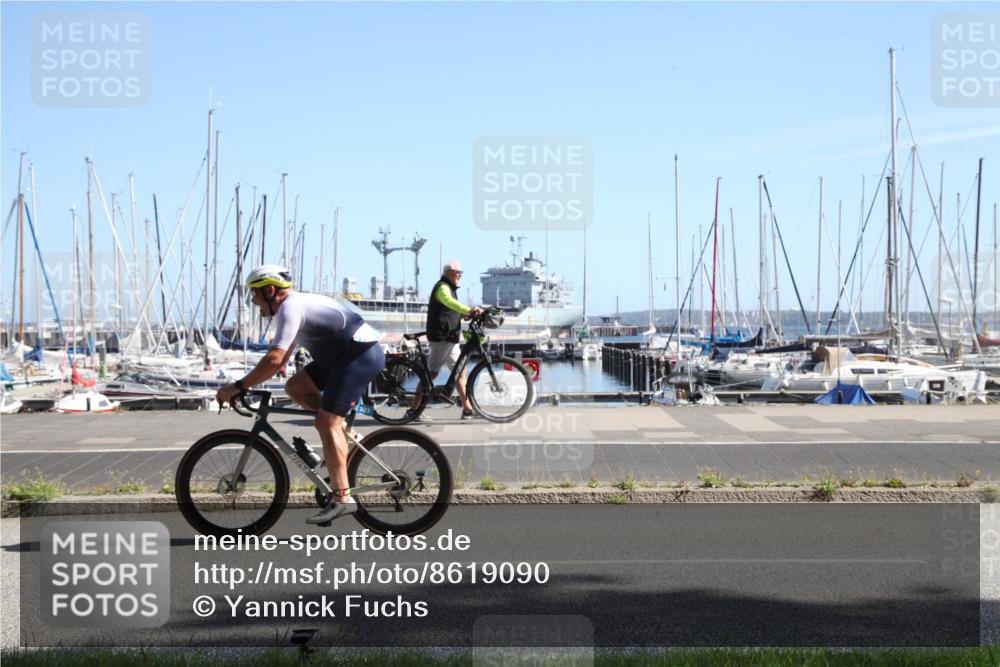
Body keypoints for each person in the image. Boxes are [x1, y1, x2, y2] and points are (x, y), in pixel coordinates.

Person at [215, 265, 385, 525]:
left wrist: (238, 387)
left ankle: (342, 499)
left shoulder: (290, 307)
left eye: (255, 294)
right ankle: (346, 438)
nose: (252, 300)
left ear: (271, 291)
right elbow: (279, 357)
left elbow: (274, 360)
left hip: (358, 357)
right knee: (296, 387)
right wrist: (251, 381)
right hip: (342, 357)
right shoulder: (295, 306)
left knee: (326, 422)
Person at [424, 260, 482, 419]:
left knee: (460, 371)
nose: (460, 276)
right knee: (432, 374)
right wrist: (469, 309)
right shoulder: (443, 288)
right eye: (458, 273)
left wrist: (464, 315)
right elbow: (449, 303)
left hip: (451, 337)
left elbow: (450, 309)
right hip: (442, 337)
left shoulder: (449, 288)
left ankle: (468, 409)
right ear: (449, 273)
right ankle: (414, 409)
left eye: (461, 273)